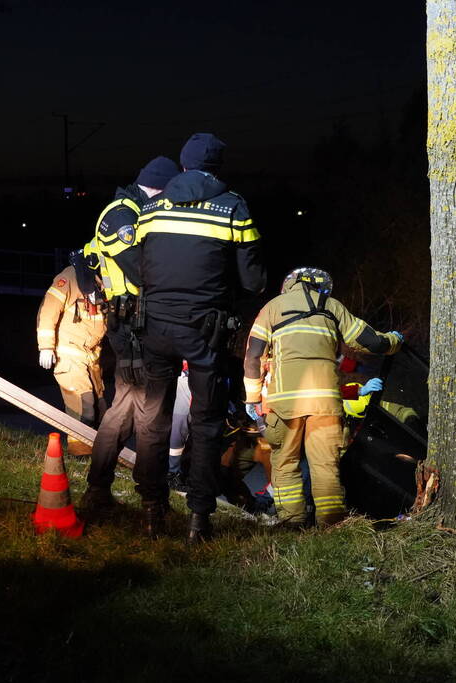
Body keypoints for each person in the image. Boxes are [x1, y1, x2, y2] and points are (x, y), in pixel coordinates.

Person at [132, 132, 266, 541]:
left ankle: (153, 511)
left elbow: (139, 269)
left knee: (153, 420)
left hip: (154, 326)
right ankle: (198, 521)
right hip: (205, 332)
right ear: (217, 169)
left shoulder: (151, 208)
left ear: (184, 163)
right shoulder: (234, 208)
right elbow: (254, 280)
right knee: (206, 424)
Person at [243, 267, 403, 527]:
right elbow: (372, 342)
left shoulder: (272, 307)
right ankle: (331, 527)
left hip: (285, 406)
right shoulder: (332, 306)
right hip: (326, 405)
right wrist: (394, 341)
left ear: (290, 285)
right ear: (321, 287)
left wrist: (251, 398)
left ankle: (293, 524)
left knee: (285, 465)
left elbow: (253, 356)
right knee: (325, 468)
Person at [80, 157, 180, 509]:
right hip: (134, 327)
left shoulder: (132, 210)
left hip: (132, 326)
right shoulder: (122, 215)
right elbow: (141, 271)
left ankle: (98, 489)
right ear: (159, 187)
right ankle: (153, 502)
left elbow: (89, 257)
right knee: (152, 414)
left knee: (122, 410)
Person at [36, 243, 107, 455]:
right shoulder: (71, 277)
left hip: (91, 357)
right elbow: (49, 309)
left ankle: (102, 454)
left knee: (102, 409)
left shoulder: (104, 283)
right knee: (83, 405)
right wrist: (46, 347)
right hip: (68, 353)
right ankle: (80, 456)